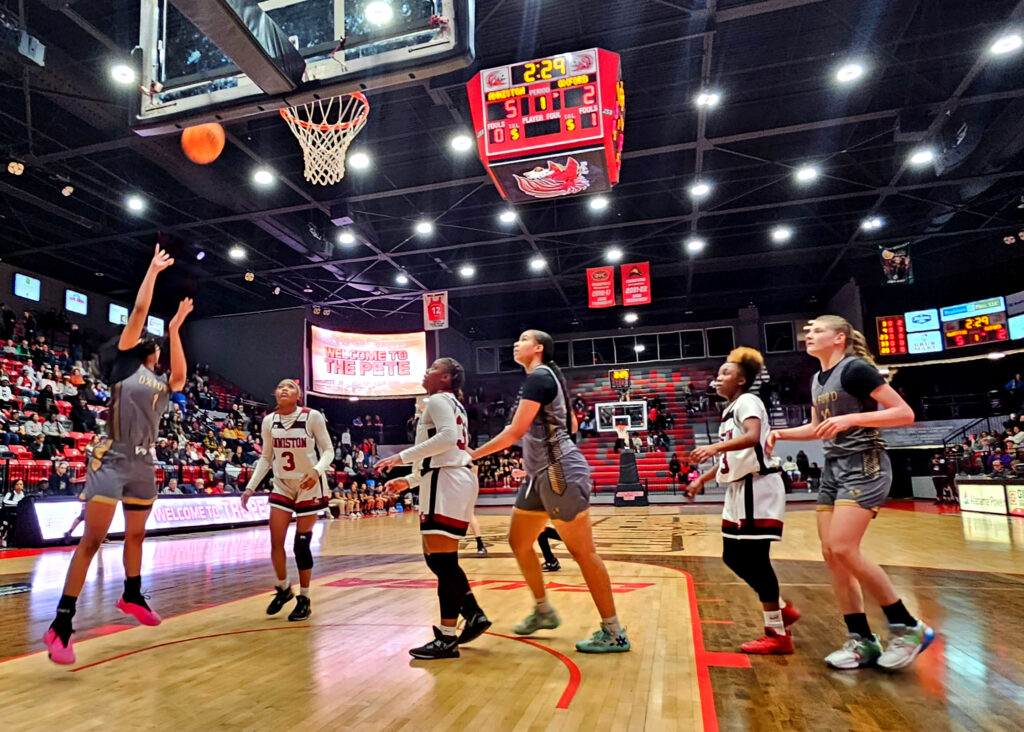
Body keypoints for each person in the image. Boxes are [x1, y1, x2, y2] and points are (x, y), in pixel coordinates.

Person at [43, 245, 193, 665]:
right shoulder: (126, 367)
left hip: (145, 463)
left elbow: (181, 377)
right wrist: (152, 269)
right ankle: (61, 623)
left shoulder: (163, 382)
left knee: (137, 535)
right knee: (93, 540)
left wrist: (178, 328)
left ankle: (131, 595)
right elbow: (141, 310)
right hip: (112, 459)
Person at [768, 314, 933, 671]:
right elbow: (817, 428)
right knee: (832, 555)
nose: (808, 334)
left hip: (865, 462)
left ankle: (909, 628)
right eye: (807, 330)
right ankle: (862, 640)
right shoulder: (817, 379)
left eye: (817, 330)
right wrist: (781, 433)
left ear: (839, 338)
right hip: (834, 468)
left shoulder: (856, 369)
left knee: (844, 547)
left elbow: (903, 413)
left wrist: (852, 419)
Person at [469, 330, 630, 653]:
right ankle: (543, 610)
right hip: (539, 475)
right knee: (519, 542)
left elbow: (514, 432)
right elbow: (567, 424)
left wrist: (470, 456)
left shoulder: (540, 378)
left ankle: (614, 631)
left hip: (559, 474)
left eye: (523, 339)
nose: (516, 343)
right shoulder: (542, 378)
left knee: (584, 553)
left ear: (538, 348)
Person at [376, 358, 491, 659]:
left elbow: (448, 440)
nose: (425, 372)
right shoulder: (452, 403)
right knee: (437, 561)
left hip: (447, 480)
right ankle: (472, 612)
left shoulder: (439, 399)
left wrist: (399, 458)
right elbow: (443, 451)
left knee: (444, 562)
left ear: (446, 377)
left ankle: (448, 637)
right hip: (443, 477)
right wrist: (409, 480)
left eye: (432, 368)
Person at [687, 348, 798, 654]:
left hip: (757, 487)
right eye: (718, 373)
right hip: (739, 489)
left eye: (725, 373)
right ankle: (782, 608)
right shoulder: (730, 409)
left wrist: (713, 447)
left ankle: (777, 632)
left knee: (755, 560)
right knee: (733, 557)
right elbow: (730, 455)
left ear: (742, 380)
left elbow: (752, 437)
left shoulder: (748, 400)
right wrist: (702, 479)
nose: (718, 377)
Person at [241, 379, 334, 622]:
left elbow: (328, 451)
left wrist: (316, 471)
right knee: (275, 542)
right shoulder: (268, 421)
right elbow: (266, 457)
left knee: (301, 545)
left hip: (308, 484)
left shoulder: (311, 417)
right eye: (280, 386)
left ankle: (304, 598)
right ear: (274, 393)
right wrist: (251, 487)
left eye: (290, 387)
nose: (284, 389)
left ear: (298, 395)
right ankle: (283, 588)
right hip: (282, 483)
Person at [1, 478, 26, 547]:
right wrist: (17, 503)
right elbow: (5, 501)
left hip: (20, 514)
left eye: (21, 484)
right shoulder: (10, 493)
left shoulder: (24, 494)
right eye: (17, 484)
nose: (19, 486)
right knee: (8, 527)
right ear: (14, 486)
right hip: (9, 513)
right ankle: (4, 539)